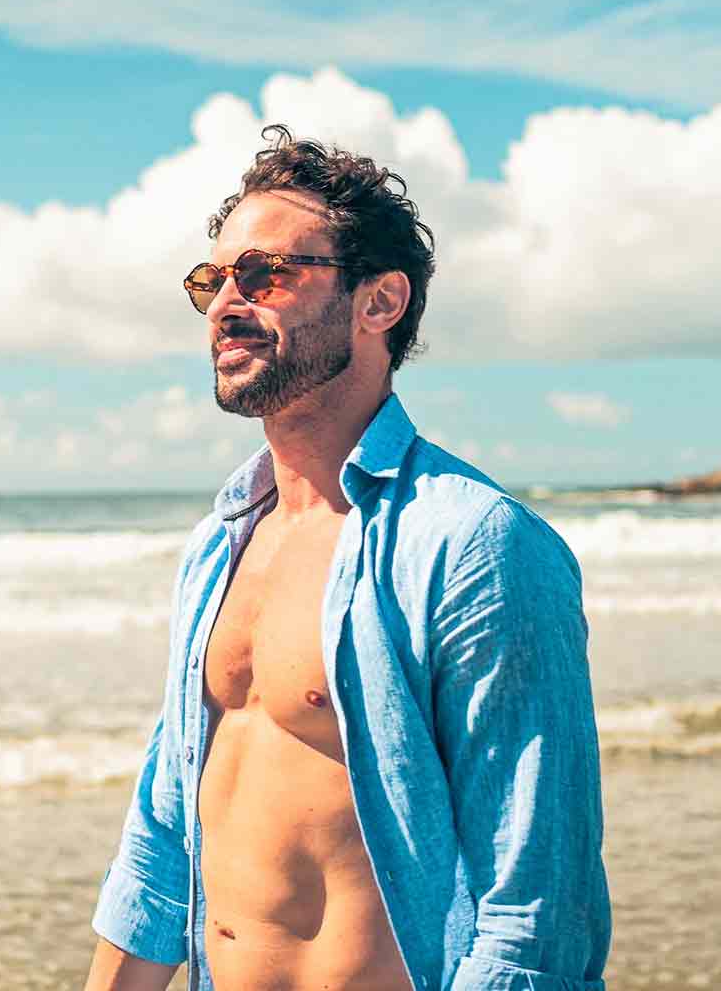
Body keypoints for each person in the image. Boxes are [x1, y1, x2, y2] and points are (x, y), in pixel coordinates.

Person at [83, 125, 611, 991]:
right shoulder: (221, 544)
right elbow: (165, 836)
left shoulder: (475, 544)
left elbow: (535, 910)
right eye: (213, 280)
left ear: (380, 302)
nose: (225, 302)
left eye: (268, 273)